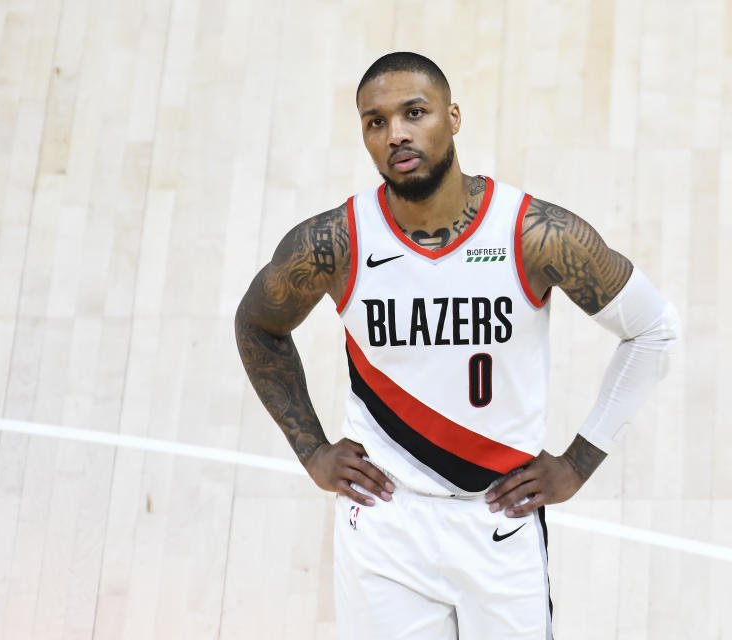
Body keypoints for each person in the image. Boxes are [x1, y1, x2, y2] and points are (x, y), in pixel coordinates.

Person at [233, 52, 680, 639]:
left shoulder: (533, 234)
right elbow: (258, 324)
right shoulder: (335, 242)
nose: (396, 134)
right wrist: (311, 450)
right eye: (375, 121)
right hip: (384, 526)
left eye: (414, 112)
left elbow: (653, 329)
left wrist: (579, 462)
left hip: (500, 520)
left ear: (454, 117)